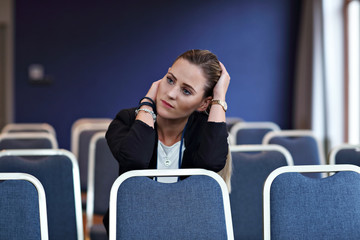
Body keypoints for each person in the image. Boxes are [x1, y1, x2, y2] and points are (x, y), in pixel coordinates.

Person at [103, 49, 232, 233]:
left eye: (186, 91)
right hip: (135, 231)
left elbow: (211, 162)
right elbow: (135, 159)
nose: (171, 93)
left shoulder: (206, 130)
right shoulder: (128, 121)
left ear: (204, 103)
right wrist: (147, 104)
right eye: (170, 79)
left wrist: (219, 99)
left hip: (189, 232)